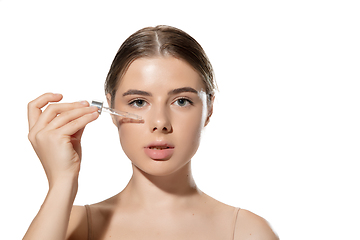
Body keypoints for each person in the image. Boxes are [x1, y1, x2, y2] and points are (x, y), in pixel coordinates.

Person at [24, 25, 278, 240]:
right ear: (110, 107)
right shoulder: (72, 226)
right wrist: (62, 183)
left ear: (209, 108)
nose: (160, 123)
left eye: (181, 101)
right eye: (138, 102)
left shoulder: (247, 232)